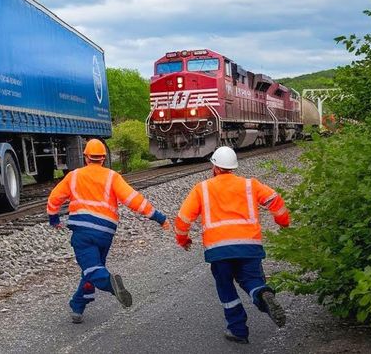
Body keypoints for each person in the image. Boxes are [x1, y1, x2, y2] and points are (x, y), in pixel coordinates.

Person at [174, 146, 290, 344]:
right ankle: (262, 294)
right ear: (233, 167)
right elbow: (274, 200)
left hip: (219, 251)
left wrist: (183, 240)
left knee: (226, 287)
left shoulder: (202, 188)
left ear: (215, 167)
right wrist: (283, 222)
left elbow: (183, 219)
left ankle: (238, 330)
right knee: (252, 281)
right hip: (249, 247)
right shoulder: (249, 185)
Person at [47, 138, 169, 323]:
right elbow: (134, 200)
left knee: (93, 270)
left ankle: (111, 285)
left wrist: (54, 218)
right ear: (103, 158)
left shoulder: (74, 176)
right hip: (105, 234)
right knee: (91, 269)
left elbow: (54, 198)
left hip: (83, 233)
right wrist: (158, 217)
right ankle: (77, 306)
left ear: (86, 157)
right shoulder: (112, 177)